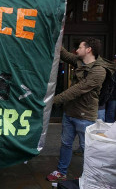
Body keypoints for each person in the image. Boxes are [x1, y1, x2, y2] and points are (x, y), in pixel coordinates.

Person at [46, 37, 107, 182]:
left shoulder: (99, 71)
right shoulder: (79, 61)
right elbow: (65, 54)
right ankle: (61, 171)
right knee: (66, 144)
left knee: (88, 148)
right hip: (70, 113)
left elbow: (77, 90)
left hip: (85, 117)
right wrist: (56, 37)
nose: (77, 50)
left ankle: (89, 176)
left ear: (88, 50)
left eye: (79, 47)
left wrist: (52, 101)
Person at [105, 55, 116, 123]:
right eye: (114, 60)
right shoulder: (110, 70)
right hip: (111, 96)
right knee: (110, 114)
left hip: (112, 95)